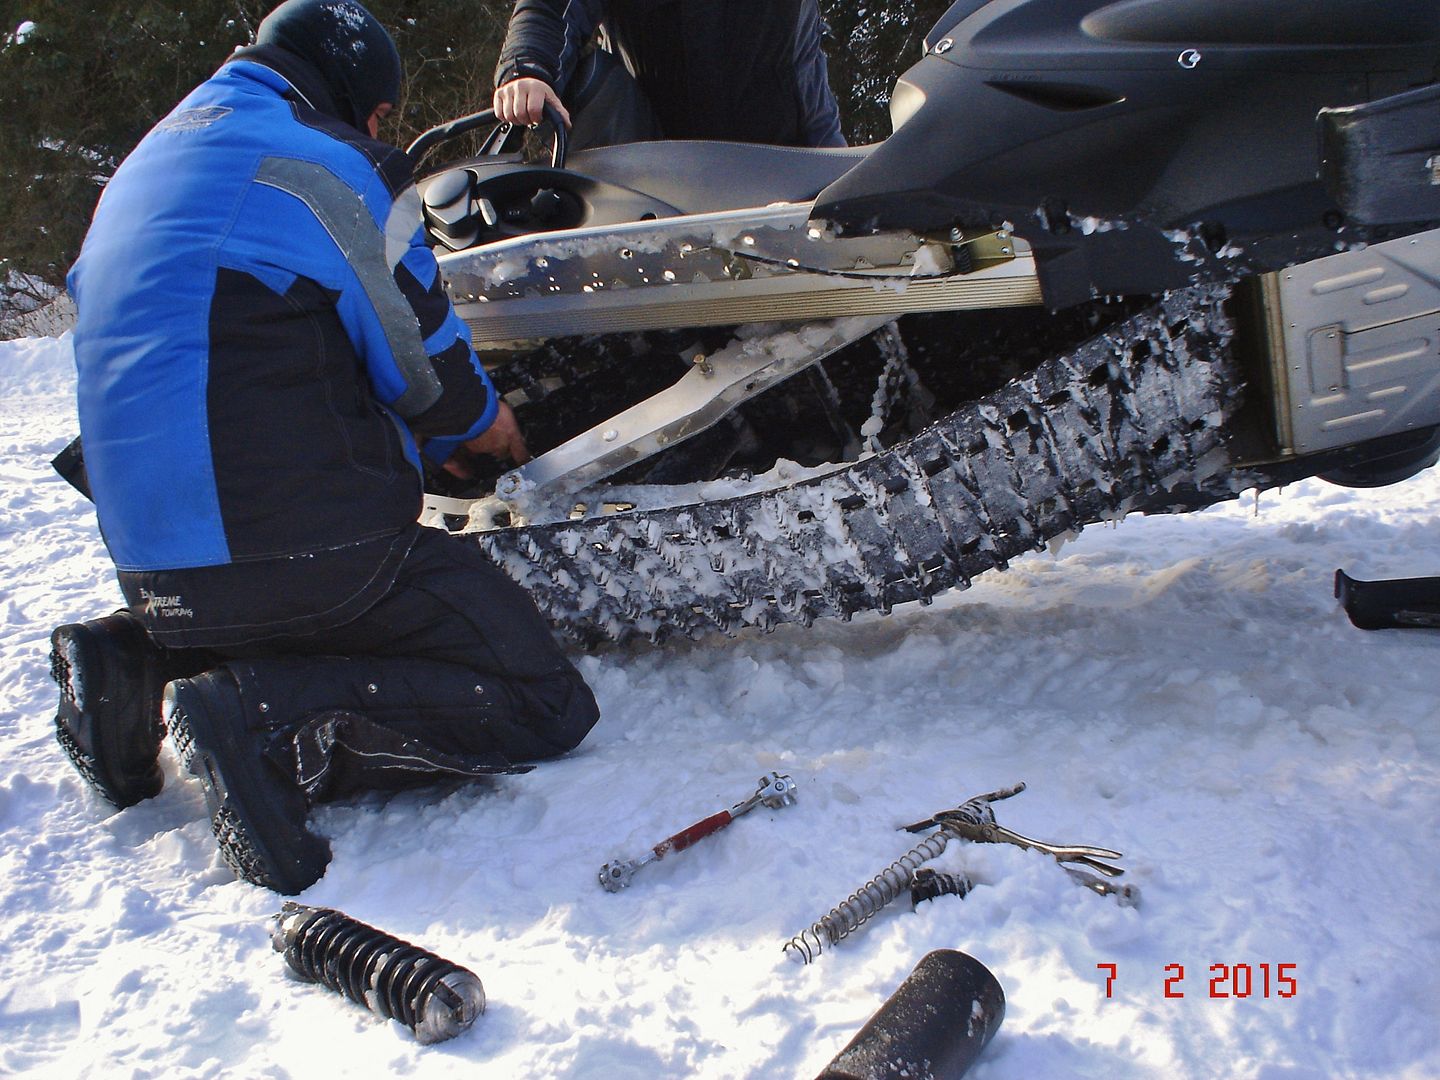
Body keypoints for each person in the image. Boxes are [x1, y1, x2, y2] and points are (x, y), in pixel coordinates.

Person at [54, 0, 600, 895]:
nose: (380, 130)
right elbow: (417, 358)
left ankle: (133, 658)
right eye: (381, 115)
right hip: (300, 553)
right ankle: (263, 720)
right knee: (542, 698)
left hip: (150, 567)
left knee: (261, 588)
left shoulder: (147, 167)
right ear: (350, 92)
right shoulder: (325, 164)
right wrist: (477, 427)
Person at [492, 0, 846, 149]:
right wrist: (528, 69)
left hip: (786, 172)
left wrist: (838, 175)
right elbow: (551, 9)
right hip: (653, 178)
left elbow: (806, 79)